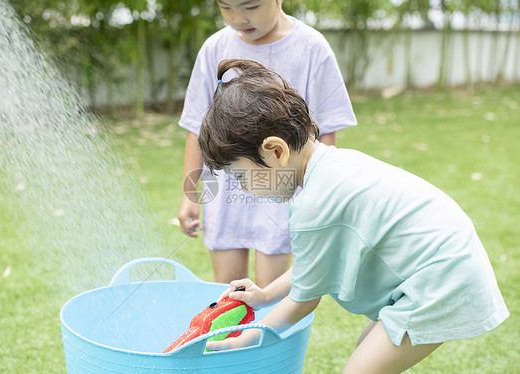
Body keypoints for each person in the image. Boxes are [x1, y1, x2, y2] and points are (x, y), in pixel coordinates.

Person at [198, 59, 509, 373]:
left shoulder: (315, 205)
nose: (244, 188)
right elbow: (313, 263)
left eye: (241, 176)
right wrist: (265, 295)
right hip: (442, 265)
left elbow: (304, 301)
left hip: (440, 278)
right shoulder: (331, 167)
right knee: (367, 355)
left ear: (276, 152)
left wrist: (243, 341)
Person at [177, 0, 357, 287]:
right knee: (229, 295)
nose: (238, 18)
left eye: (251, 6)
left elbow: (326, 133)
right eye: (226, 8)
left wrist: (320, 199)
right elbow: (196, 127)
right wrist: (190, 194)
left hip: (284, 190)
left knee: (270, 294)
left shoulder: (311, 47)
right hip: (227, 191)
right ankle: (234, 335)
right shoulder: (214, 48)